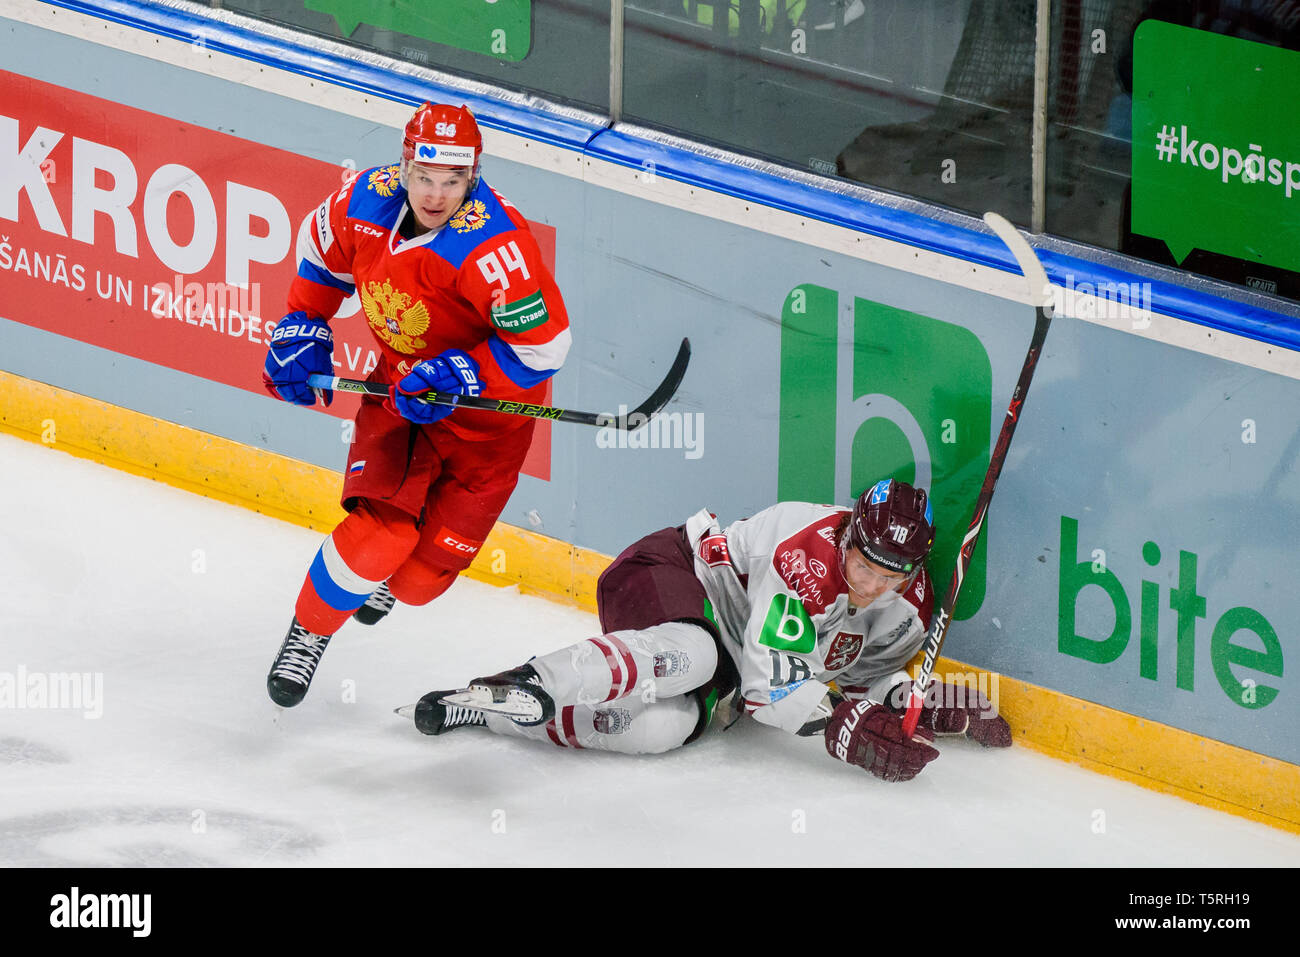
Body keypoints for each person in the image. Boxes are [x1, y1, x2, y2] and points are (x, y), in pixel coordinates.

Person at [262, 101, 572, 707]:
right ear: (404, 167)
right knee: (380, 535)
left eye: (452, 181)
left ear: (473, 175)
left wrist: (463, 374)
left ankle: (381, 582)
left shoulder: (494, 247)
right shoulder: (363, 200)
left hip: (488, 428)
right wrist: (304, 327)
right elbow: (321, 265)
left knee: (418, 581)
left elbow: (543, 349)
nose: (436, 194)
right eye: (425, 178)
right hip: (401, 398)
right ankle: (308, 634)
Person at [406, 479, 1011, 782]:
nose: (873, 587)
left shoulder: (906, 609)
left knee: (669, 727)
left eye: (892, 577)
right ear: (847, 538)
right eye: (863, 567)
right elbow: (768, 688)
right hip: (667, 577)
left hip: (733, 660)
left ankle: (490, 709)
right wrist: (845, 727)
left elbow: (853, 681)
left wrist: (915, 703)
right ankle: (532, 680)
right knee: (693, 653)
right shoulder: (804, 550)